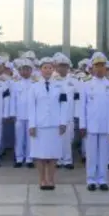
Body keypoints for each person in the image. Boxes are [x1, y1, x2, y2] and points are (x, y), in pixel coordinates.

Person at [28, 57, 69, 190]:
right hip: (39, 125)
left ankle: (51, 179)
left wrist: (63, 122)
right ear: (40, 70)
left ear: (53, 69)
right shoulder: (34, 86)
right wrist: (32, 125)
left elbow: (64, 104)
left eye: (50, 67)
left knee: (53, 155)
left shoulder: (60, 85)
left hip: (54, 125)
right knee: (39, 155)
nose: (47, 70)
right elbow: (31, 106)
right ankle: (42, 180)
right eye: (45, 67)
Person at [78, 52, 109, 192]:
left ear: (106, 68)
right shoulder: (86, 84)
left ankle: (103, 180)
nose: (100, 69)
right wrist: (82, 125)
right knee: (91, 155)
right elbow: (82, 107)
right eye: (97, 66)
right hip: (91, 125)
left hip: (106, 125)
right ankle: (91, 180)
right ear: (92, 68)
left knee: (105, 155)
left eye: (102, 65)